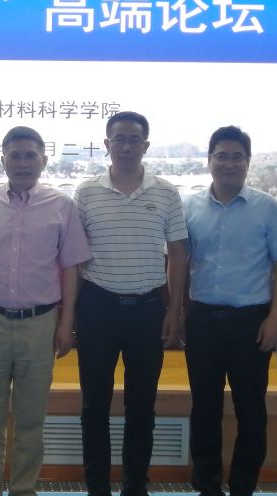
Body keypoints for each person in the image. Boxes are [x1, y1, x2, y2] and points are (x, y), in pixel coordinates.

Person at [0, 126, 92, 496]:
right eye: (15, 156)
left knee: (31, 418)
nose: (22, 163)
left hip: (40, 324)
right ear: (3, 160)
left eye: (30, 155)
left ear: (44, 160)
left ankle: (23, 489)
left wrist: (66, 323)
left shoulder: (61, 205)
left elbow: (71, 268)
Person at [73, 111, 188, 496]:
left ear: (145, 145)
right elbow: (74, 257)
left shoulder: (166, 192)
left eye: (134, 139)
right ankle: (97, 487)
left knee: (142, 407)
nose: (126, 146)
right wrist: (71, 313)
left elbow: (177, 253)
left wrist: (174, 310)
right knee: (94, 406)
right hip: (97, 308)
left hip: (147, 311)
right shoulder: (86, 192)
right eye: (118, 139)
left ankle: (135, 486)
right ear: (106, 144)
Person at [183, 125, 277, 496]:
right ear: (209, 160)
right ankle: (207, 486)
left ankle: (243, 486)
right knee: (205, 408)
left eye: (237, 157)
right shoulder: (189, 206)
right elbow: (180, 262)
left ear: (248, 162)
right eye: (222, 156)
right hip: (203, 319)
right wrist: (177, 312)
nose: (229, 163)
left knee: (251, 409)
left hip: (252, 321)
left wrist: (275, 318)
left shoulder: (268, 208)